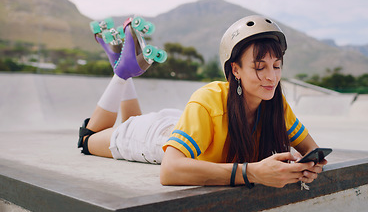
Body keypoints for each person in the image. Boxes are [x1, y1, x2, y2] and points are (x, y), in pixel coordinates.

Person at [78, 15, 326, 189]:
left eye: (277, 66)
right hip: (154, 137)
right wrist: (252, 172)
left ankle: (123, 68)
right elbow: (170, 170)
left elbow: (311, 151)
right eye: (259, 67)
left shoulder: (275, 105)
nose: (271, 77)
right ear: (235, 70)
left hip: (186, 125)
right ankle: (122, 73)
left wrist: (308, 167)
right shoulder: (208, 99)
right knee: (88, 139)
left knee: (130, 119)